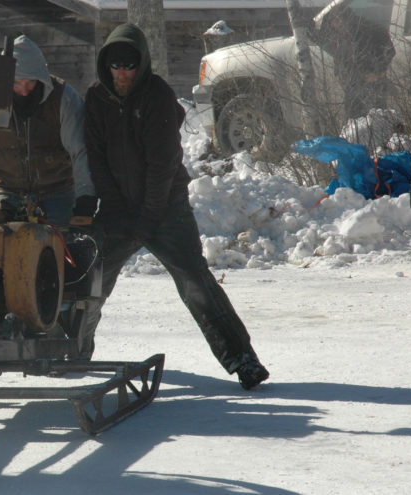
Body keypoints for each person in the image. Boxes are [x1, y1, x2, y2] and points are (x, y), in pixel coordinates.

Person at [83, 23, 269, 390]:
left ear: (142, 65)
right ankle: (72, 353)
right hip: (119, 208)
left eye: (129, 66)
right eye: (115, 67)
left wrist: (149, 216)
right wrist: (118, 209)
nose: (122, 74)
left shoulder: (157, 96)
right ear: (106, 66)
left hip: (165, 207)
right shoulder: (96, 98)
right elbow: (97, 158)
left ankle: (243, 359)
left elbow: (162, 164)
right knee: (91, 281)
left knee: (194, 281)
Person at [0, 35, 95, 226]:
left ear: (41, 77)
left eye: (30, 82)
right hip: (7, 192)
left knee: (62, 247)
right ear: (6, 80)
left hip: (57, 191)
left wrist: (85, 196)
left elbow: (81, 151)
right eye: (16, 83)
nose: (24, 90)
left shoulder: (63, 99)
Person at [316, 3, 396, 119]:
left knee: (377, 120)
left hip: (372, 85)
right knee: (354, 122)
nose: (334, 25)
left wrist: (378, 73)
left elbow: (390, 51)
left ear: (345, 19)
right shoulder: (341, 37)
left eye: (336, 21)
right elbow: (340, 57)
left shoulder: (369, 31)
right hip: (351, 87)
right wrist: (338, 73)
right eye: (332, 23)